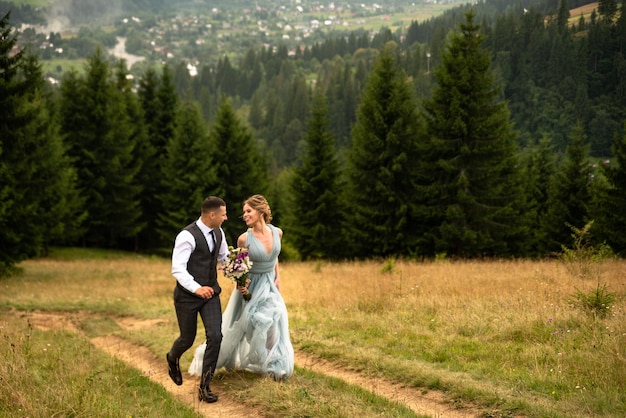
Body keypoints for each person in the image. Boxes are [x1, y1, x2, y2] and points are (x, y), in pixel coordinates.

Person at [189, 194, 294, 380]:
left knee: (274, 321)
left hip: (271, 284)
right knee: (255, 322)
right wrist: (241, 284)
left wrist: (278, 278)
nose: (244, 215)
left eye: (248, 211)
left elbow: (275, 256)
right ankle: (212, 360)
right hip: (252, 287)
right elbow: (240, 267)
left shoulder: (277, 232)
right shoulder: (244, 239)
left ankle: (274, 365)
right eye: (243, 212)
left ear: (260, 210)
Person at [166, 196, 229, 403]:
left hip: (211, 294)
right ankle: (172, 357)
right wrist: (196, 288)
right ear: (212, 215)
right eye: (223, 214)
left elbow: (224, 258)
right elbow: (178, 269)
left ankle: (204, 387)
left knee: (216, 336)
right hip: (187, 297)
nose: (226, 218)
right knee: (187, 338)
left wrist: (241, 272)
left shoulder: (219, 233)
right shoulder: (186, 236)